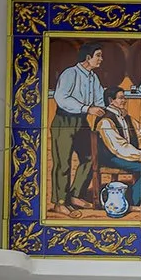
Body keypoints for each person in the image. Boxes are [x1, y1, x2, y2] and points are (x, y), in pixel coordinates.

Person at [49, 44, 105, 212]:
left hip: (82, 122)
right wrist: (87, 109)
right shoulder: (70, 73)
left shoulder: (94, 78)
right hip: (64, 121)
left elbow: (100, 99)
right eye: (98, 56)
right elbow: (61, 98)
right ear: (88, 58)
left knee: (90, 157)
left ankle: (75, 194)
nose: (101, 59)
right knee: (63, 163)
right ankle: (60, 202)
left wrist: (105, 109)